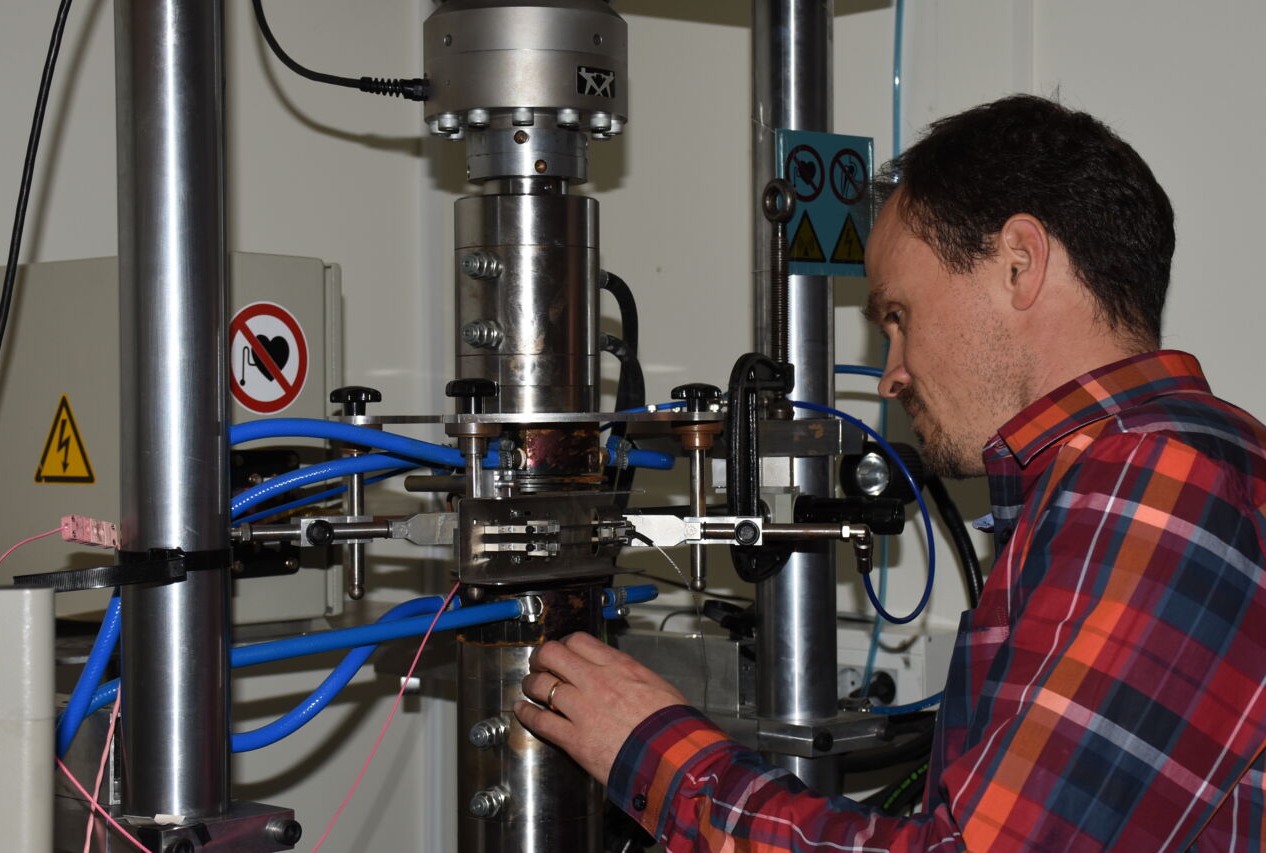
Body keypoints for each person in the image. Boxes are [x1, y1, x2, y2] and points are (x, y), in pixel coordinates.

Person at [513, 95, 1266, 851]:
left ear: (1019, 263)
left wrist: (657, 753)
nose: (890, 375)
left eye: (899, 316)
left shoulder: (1151, 478)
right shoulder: (1174, 463)